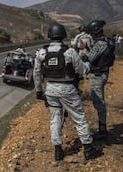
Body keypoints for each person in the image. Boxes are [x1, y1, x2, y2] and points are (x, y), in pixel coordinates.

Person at [33, 23, 101, 161]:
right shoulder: (69, 52)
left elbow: (36, 73)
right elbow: (82, 70)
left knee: (55, 118)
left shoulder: (42, 52)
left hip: (50, 89)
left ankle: (58, 151)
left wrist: (39, 91)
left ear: (50, 35)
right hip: (67, 89)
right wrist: (86, 63)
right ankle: (88, 149)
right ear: (63, 35)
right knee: (79, 117)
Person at [84, 19, 114, 138]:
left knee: (99, 103)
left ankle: (102, 130)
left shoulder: (100, 43)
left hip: (97, 76)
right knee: (99, 102)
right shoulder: (106, 41)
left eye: (92, 33)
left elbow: (89, 59)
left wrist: (84, 52)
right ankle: (102, 128)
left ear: (96, 32)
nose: (91, 35)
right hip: (102, 73)